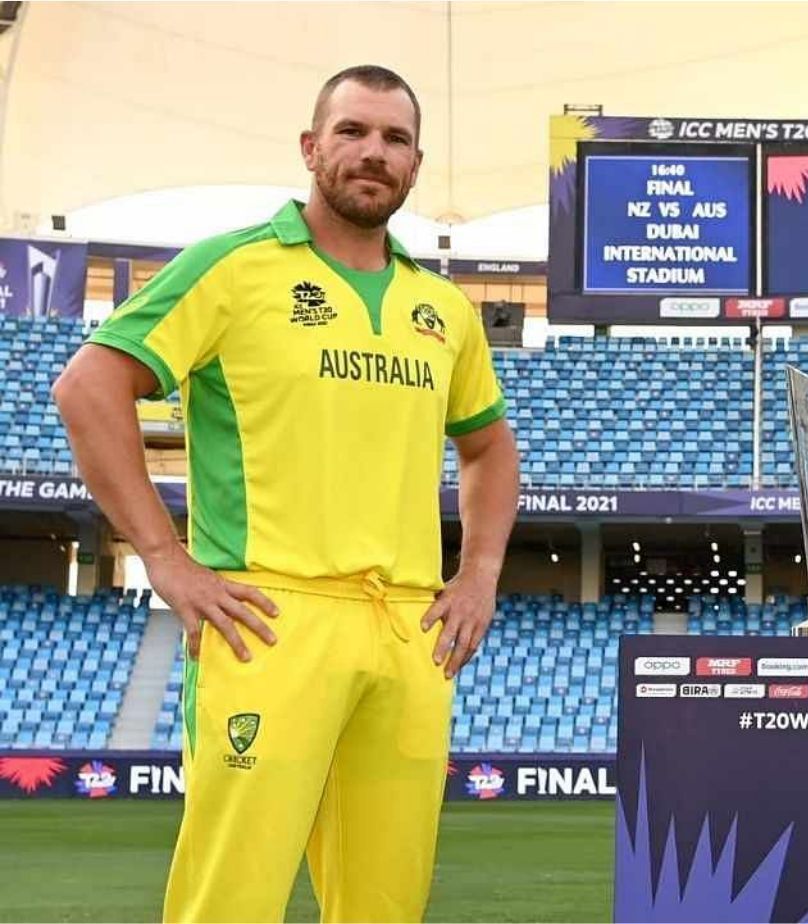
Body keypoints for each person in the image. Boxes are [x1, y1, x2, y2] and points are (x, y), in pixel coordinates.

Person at [52, 64, 520, 922]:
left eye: (395, 139)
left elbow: (489, 446)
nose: (373, 152)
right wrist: (165, 559)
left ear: (415, 166)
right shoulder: (231, 268)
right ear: (311, 147)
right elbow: (88, 387)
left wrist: (480, 572)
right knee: (232, 899)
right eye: (352, 132)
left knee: (386, 902)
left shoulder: (441, 308)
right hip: (269, 618)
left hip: (408, 629)